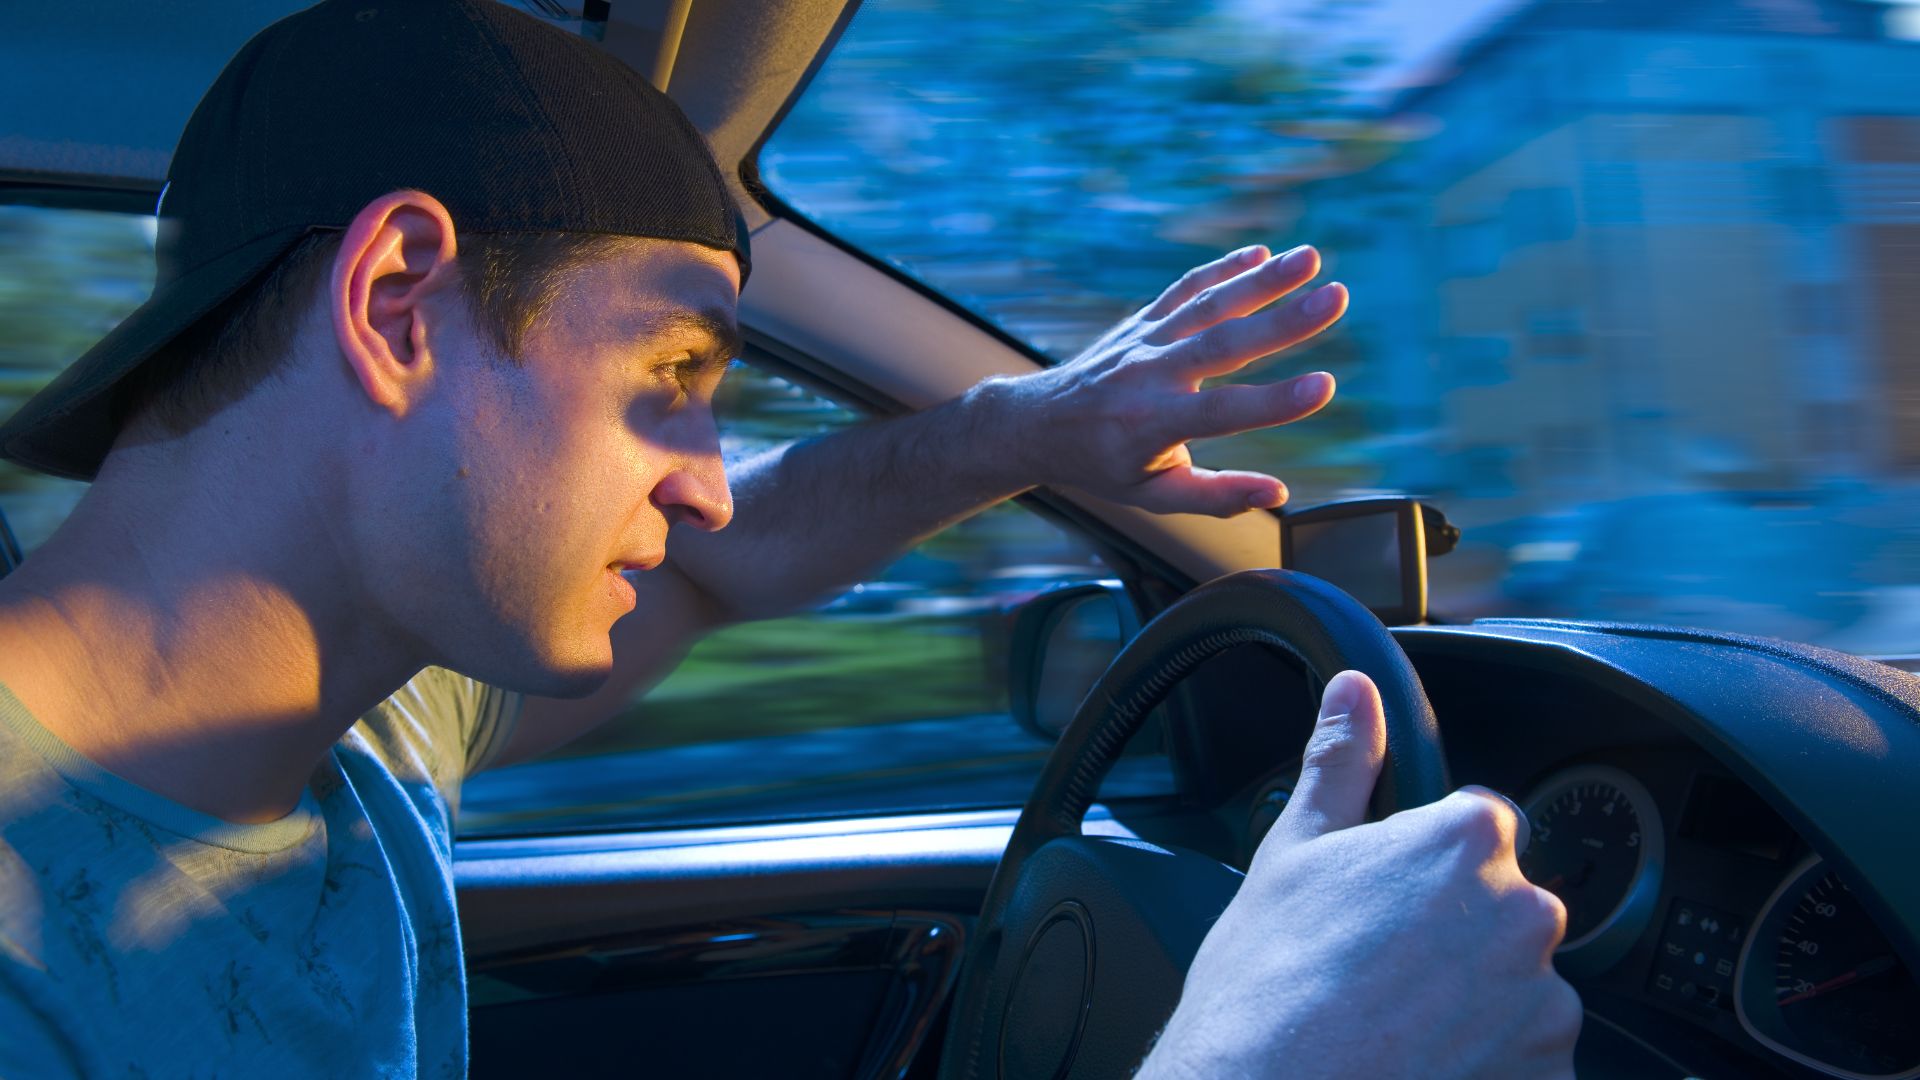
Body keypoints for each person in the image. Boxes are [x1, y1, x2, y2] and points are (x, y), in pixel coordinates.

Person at [0, 0, 1579, 1076]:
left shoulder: (369, 722)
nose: (699, 478)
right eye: (672, 380)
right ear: (399, 303)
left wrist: (1018, 427)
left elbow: (721, 558)